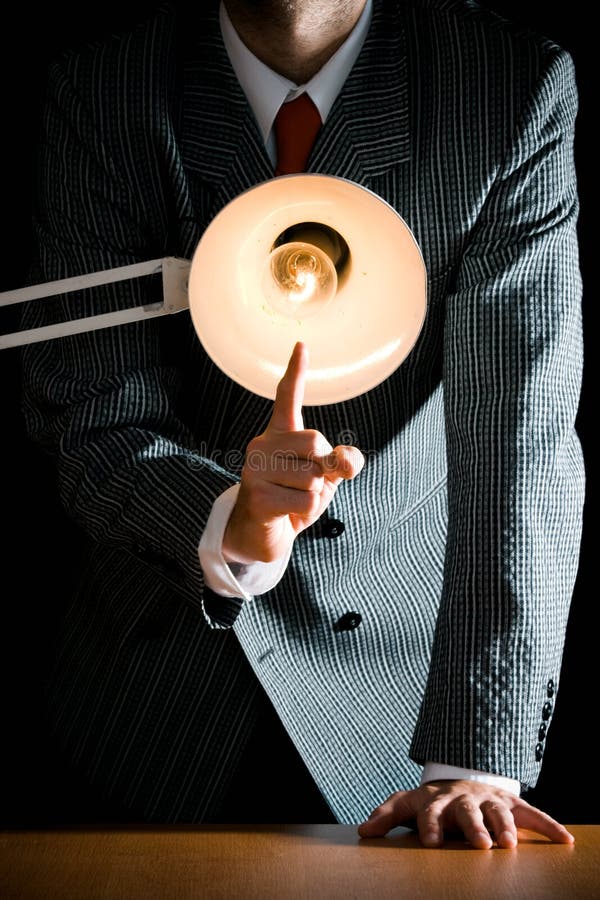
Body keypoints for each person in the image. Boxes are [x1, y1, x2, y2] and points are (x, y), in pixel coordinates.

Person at [19, 0, 584, 849]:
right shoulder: (105, 91)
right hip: (147, 701)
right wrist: (229, 520)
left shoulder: (503, 86)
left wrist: (473, 757)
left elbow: (519, 432)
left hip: (398, 708)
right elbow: (93, 408)